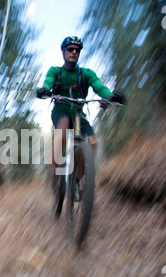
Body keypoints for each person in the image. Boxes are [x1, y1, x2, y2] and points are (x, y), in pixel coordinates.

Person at [36, 36, 126, 177]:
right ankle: (53, 170)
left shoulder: (86, 74)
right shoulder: (55, 71)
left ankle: (77, 181)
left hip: (78, 115)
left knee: (92, 142)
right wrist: (45, 90)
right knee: (64, 126)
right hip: (60, 112)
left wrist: (110, 97)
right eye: (70, 49)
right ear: (63, 51)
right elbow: (48, 82)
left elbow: (99, 86)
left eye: (77, 50)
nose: (74, 52)